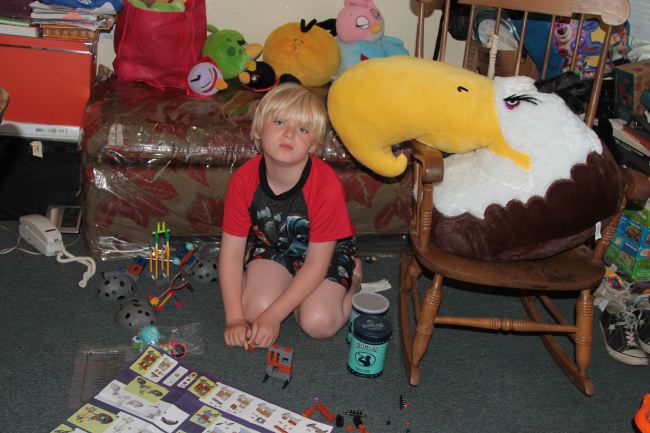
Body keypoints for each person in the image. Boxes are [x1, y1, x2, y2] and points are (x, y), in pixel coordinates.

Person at [219, 83, 361, 349]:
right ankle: (291, 290)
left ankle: (353, 280)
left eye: (303, 129)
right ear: (258, 130)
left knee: (318, 322)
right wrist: (234, 319)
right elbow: (231, 255)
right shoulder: (243, 179)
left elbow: (316, 264)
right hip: (275, 245)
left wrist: (274, 315)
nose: (289, 134)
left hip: (325, 255)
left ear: (314, 144)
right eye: (280, 122)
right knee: (253, 310)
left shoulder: (326, 187)